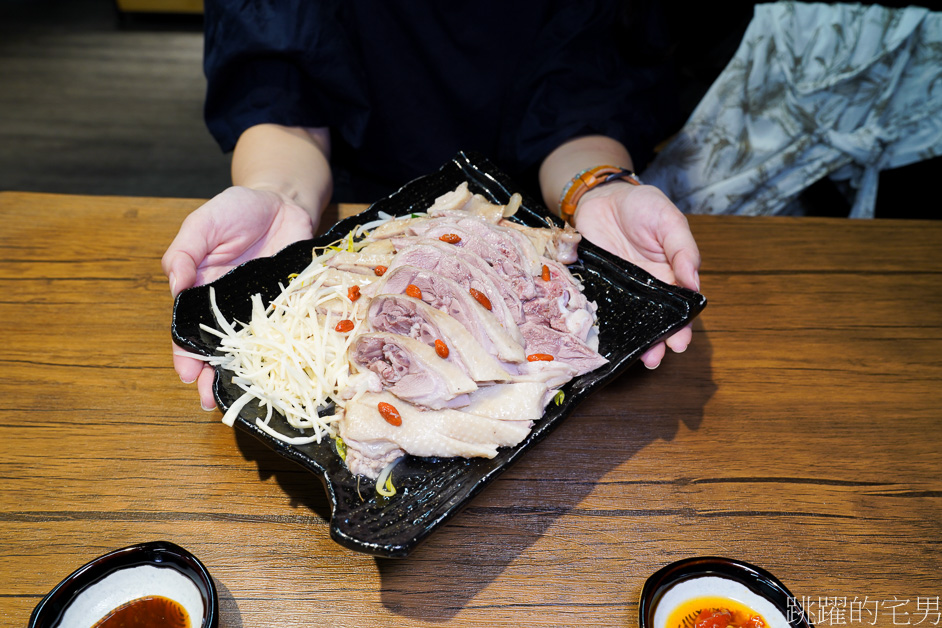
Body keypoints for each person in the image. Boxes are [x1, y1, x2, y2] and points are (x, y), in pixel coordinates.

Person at [161, 0, 702, 411]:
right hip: (359, 203)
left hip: (526, 224)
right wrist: (279, 195)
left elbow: (585, 96)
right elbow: (283, 91)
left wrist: (598, 186)